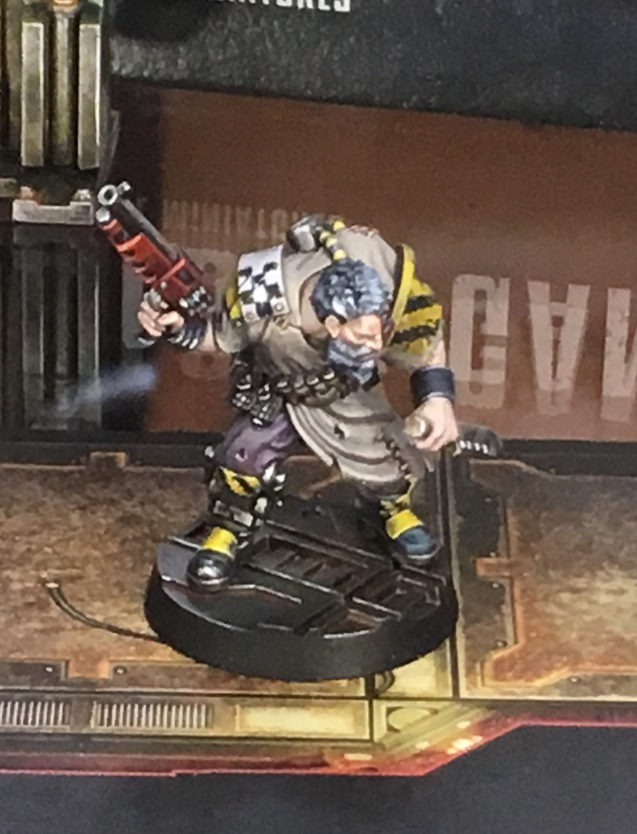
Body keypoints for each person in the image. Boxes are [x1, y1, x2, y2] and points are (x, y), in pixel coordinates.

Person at [138, 216, 459, 590]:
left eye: (379, 334)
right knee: (243, 456)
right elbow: (218, 336)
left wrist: (438, 398)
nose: (375, 346)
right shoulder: (260, 293)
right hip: (279, 389)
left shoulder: (382, 273)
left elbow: (426, 340)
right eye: (361, 336)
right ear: (334, 324)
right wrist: (177, 327)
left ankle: (394, 511)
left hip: (347, 389)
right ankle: (228, 529)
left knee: (387, 456)